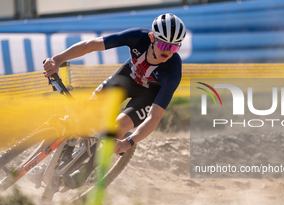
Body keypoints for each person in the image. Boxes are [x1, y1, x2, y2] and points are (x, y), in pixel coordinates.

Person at [43, 13, 186, 156]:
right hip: (126, 79)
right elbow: (91, 45)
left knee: (119, 127)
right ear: (152, 38)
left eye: (174, 48)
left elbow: (154, 117)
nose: (168, 51)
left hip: (148, 95)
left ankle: (84, 173)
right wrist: (57, 60)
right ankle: (67, 149)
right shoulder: (138, 37)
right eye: (163, 44)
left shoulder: (173, 70)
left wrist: (128, 142)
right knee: (85, 113)